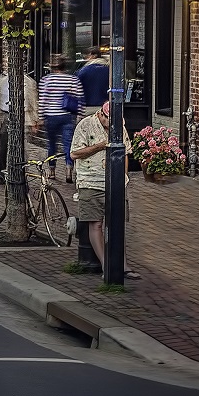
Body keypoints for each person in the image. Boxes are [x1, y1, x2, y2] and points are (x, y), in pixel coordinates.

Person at [68, 102, 128, 275]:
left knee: (118, 224)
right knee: (95, 223)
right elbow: (74, 154)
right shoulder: (85, 125)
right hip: (90, 180)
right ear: (102, 115)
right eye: (111, 121)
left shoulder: (119, 127)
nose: (113, 126)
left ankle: (123, 265)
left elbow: (125, 152)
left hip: (115, 181)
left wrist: (124, 177)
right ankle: (105, 264)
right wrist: (99, 146)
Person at [36, 54, 83, 183]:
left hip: (51, 116)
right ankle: (68, 169)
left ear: (52, 67)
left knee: (51, 144)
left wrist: (40, 117)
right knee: (68, 143)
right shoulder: (73, 80)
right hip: (68, 116)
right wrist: (80, 115)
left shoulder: (46, 80)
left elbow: (43, 100)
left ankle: (52, 170)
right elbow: (79, 98)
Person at [0, 64, 39, 173]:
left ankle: (21, 175)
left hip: (23, 116)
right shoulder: (0, 81)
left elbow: (33, 102)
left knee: (22, 149)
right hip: (5, 116)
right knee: (2, 148)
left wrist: (35, 120)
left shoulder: (29, 82)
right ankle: (0, 173)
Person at [77, 47, 111, 112]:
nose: (86, 58)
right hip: (105, 107)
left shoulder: (83, 71)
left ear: (94, 56)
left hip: (87, 107)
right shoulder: (109, 70)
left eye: (87, 56)